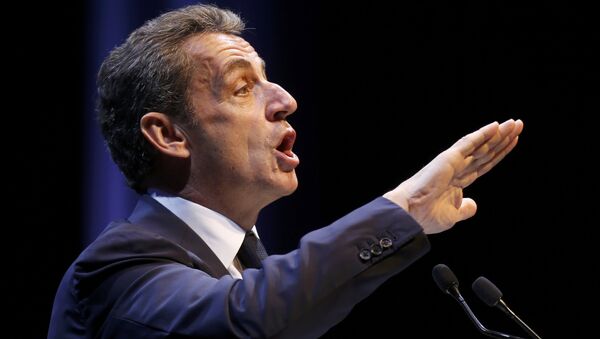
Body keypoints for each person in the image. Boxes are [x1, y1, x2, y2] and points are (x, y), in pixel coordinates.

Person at [48, 4, 523, 338]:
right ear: (170, 135)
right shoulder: (115, 269)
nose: (285, 101)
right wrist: (404, 209)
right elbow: (241, 322)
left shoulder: (243, 264)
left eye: (267, 78)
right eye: (241, 87)